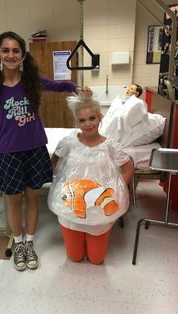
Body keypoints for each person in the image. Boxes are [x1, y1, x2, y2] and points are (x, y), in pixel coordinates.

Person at [0, 31, 92, 271]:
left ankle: (30, 243)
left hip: (34, 148)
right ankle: (18, 244)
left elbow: (60, 86)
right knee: (13, 201)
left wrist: (76, 87)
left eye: (16, 50)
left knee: (33, 198)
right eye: (5, 50)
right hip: (8, 152)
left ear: (23, 54)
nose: (11, 55)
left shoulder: (31, 79)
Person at [48, 94, 134, 265]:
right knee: (75, 257)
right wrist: (59, 184)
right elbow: (54, 164)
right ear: (77, 123)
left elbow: (128, 168)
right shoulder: (69, 142)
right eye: (82, 120)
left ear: (100, 118)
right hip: (71, 205)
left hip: (98, 209)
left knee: (96, 259)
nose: (88, 124)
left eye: (92, 118)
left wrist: (118, 190)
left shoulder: (111, 146)